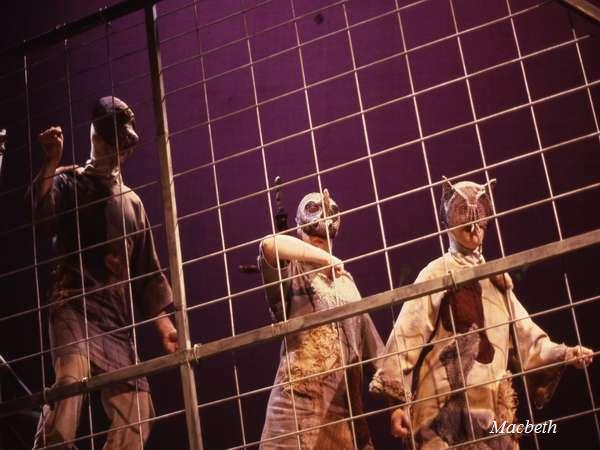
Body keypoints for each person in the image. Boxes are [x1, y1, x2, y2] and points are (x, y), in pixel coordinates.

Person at [370, 179, 594, 450]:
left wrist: (565, 354)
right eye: (464, 218)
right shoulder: (437, 272)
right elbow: (406, 335)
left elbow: (529, 339)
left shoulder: (498, 280)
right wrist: (396, 405)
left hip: (490, 416)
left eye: (480, 219)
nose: (474, 228)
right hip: (442, 412)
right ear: (450, 222)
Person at [31, 97, 178, 449]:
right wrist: (51, 163)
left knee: (139, 410)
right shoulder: (69, 182)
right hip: (74, 306)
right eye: (105, 140)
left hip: (115, 323)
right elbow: (42, 216)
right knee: (70, 386)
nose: (112, 150)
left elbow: (146, 271)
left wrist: (165, 326)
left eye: (119, 144)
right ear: (93, 136)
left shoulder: (132, 203)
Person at [258, 189, 384, 449]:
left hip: (343, 412)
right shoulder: (291, 270)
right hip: (297, 410)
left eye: (323, 235)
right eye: (311, 232)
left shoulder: (346, 283)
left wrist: (397, 405)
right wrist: (326, 258)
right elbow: (269, 245)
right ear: (298, 230)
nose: (318, 237)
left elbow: (374, 346)